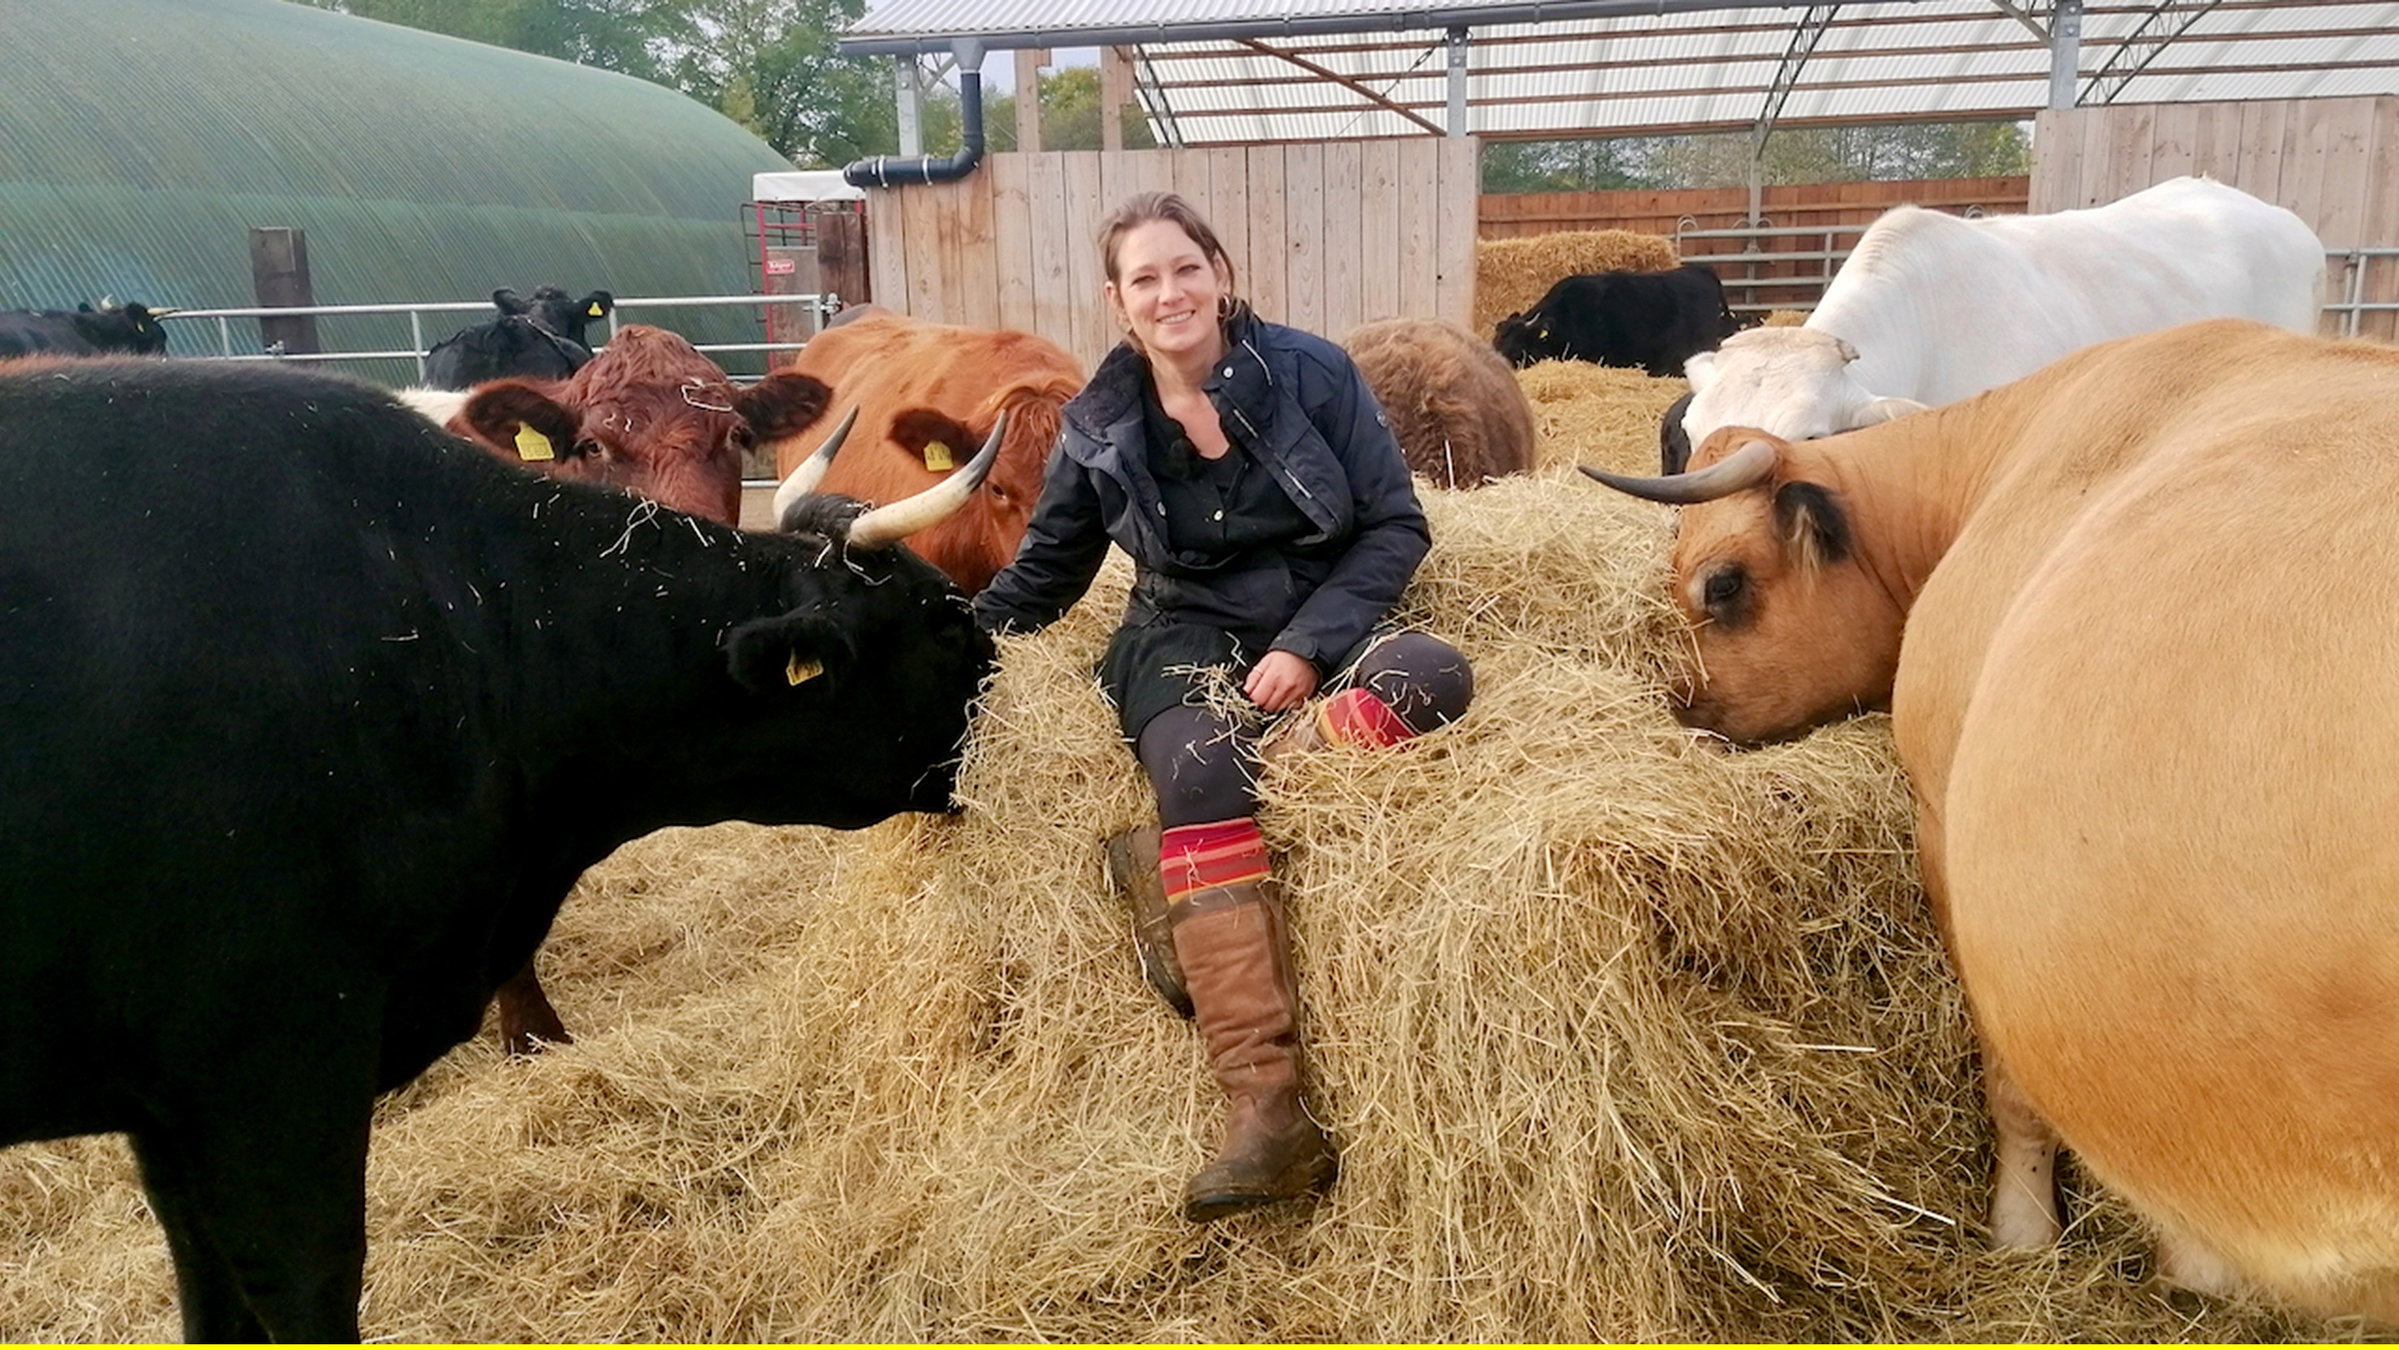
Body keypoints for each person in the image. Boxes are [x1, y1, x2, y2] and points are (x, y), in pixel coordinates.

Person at [973, 192, 1475, 1223]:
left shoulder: (1311, 374)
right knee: (1204, 763)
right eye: (1144, 279)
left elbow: (1393, 524)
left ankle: (1177, 870)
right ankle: (1265, 1103)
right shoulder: (1097, 426)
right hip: (1181, 636)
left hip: (1313, 616)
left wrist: (1305, 646)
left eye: (1184, 269)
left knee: (1433, 677)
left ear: (1220, 273)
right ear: (1117, 302)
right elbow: (1045, 578)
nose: (1170, 294)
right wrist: (940, 631)